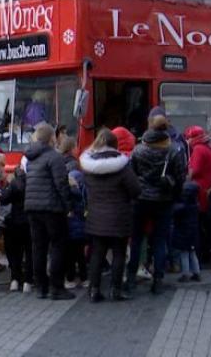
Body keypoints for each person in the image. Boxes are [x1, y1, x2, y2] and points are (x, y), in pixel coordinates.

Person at [80, 129, 141, 302]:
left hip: (96, 217)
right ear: (115, 144)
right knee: (119, 254)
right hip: (119, 217)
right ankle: (115, 289)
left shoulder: (88, 167)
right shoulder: (122, 167)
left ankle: (94, 289)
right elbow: (136, 190)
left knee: (97, 254)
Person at [127, 115, 184, 294]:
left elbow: (131, 176)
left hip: (141, 199)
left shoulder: (138, 150)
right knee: (160, 240)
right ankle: (158, 279)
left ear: (149, 126)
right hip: (163, 200)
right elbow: (180, 177)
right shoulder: (174, 150)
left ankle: (131, 277)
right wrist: (174, 194)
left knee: (136, 239)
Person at [24, 122, 75, 300]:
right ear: (52, 138)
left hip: (32, 207)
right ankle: (57, 287)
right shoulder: (54, 157)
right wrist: (68, 206)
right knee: (58, 246)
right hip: (51, 208)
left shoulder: (31, 157)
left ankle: (41, 287)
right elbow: (61, 183)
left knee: (38, 247)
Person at [185, 126, 211, 265]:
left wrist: (186, 174)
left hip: (199, 192)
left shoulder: (199, 149)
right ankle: (209, 252)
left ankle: (201, 255)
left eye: (188, 138)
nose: (187, 141)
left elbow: (194, 171)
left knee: (199, 226)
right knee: (207, 225)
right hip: (210, 189)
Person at [0, 162, 34, 293]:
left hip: (15, 223)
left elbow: (4, 199)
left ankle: (15, 280)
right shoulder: (33, 183)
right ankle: (28, 281)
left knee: (15, 253)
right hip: (30, 222)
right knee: (30, 252)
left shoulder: (13, 184)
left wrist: (6, 186)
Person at [172, 180, 202, 283]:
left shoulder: (181, 206)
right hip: (193, 233)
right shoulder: (196, 205)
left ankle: (185, 273)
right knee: (193, 253)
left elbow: (174, 212)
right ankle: (197, 272)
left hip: (183, 233)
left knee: (184, 253)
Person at [64, 169, 88, 289]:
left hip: (69, 232)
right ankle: (84, 278)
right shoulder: (81, 195)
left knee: (70, 257)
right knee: (81, 256)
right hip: (81, 231)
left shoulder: (66, 196)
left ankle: (70, 279)